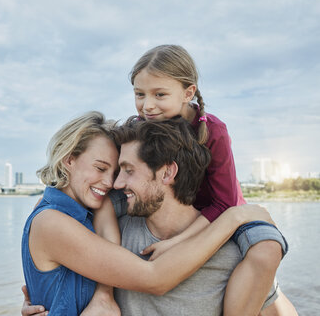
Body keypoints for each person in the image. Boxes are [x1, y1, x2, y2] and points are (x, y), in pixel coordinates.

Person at [21, 111, 276, 316]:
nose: (113, 183)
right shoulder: (54, 221)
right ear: (69, 160)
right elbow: (154, 278)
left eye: (123, 171)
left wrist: (101, 294)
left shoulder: (93, 216)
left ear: (168, 173)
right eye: (101, 168)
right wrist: (233, 216)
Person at [105, 44, 289, 315]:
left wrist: (177, 242)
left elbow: (225, 202)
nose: (148, 105)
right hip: (178, 204)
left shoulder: (213, 130)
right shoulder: (147, 124)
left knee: (266, 249)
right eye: (139, 94)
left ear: (188, 92)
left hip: (227, 209)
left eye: (160, 94)